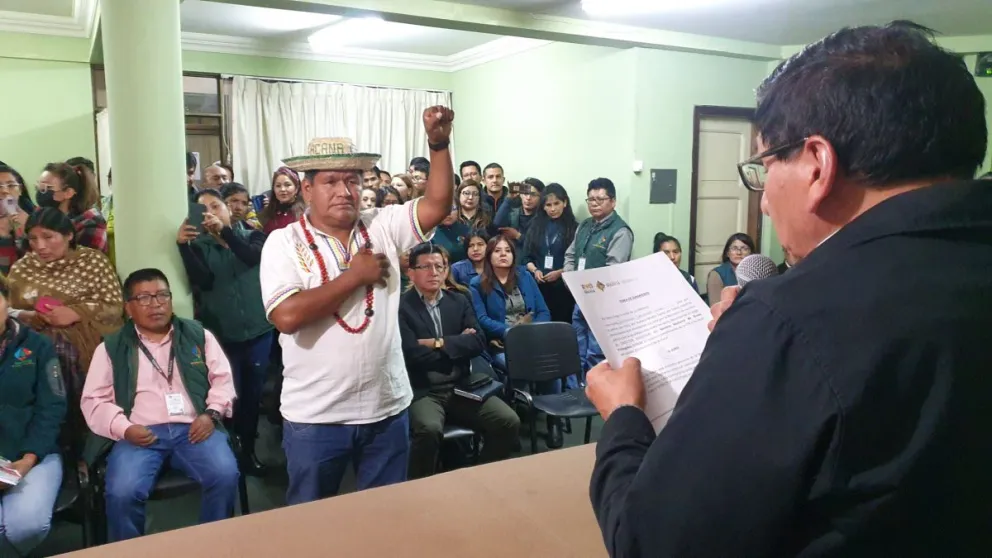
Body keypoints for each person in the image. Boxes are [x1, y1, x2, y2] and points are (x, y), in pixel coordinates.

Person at [585, 21, 992, 556]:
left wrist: (623, 420)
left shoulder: (790, 320)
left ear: (818, 165)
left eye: (763, 167)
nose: (764, 202)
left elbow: (654, 544)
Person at [260, 106, 455, 505]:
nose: (344, 191)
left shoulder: (380, 223)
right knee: (312, 526)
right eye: (330, 181)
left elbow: (437, 204)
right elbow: (287, 316)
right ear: (306, 189)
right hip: (316, 416)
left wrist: (438, 144)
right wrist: (355, 276)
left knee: (384, 520)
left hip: (386, 407)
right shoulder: (284, 242)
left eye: (352, 180)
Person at [81, 268, 239, 542]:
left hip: (194, 428)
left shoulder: (198, 335)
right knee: (122, 491)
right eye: (143, 298)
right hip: (140, 433)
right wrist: (124, 428)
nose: (155, 304)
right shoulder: (111, 347)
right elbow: (94, 399)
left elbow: (223, 380)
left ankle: (215, 544)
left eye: (162, 295)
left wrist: (211, 414)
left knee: (225, 475)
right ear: (128, 307)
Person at [399, 243, 519, 478]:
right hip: (425, 389)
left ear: (446, 270)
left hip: (462, 386)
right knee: (429, 429)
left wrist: (436, 343)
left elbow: (478, 343)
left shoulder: (459, 300)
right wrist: (457, 343)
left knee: (509, 421)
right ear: (411, 272)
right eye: (425, 266)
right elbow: (411, 353)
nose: (434, 272)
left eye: (439, 266)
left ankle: (480, 477)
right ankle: (418, 486)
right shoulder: (401, 307)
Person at [177, 189, 273, 475]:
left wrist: (226, 233)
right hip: (222, 335)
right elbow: (203, 281)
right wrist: (183, 246)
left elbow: (251, 257)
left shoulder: (253, 235)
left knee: (253, 394)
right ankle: (229, 451)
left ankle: (249, 451)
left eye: (216, 206)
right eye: (202, 208)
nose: (210, 212)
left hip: (259, 329)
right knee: (229, 395)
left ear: (229, 210)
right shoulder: (200, 246)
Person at [6, 208, 125, 431]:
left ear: (69, 235)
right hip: (32, 344)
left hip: (86, 346)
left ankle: (83, 438)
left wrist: (77, 312)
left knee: (62, 352)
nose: (40, 246)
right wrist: (25, 315)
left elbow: (114, 306)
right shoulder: (23, 268)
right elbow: (6, 309)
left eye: (48, 237)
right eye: (33, 239)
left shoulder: (92, 261)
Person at [469, 235, 562, 448]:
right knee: (514, 366)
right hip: (502, 343)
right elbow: (482, 319)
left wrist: (532, 333)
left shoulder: (525, 277)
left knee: (551, 365)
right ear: (489, 255)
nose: (503, 254)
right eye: (497, 251)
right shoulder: (477, 283)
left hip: (534, 339)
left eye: (508, 250)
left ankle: (553, 420)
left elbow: (542, 311)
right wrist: (512, 333)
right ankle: (515, 423)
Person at [0, 282, 66, 557]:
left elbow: (52, 407)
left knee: (26, 527)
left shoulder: (37, 346)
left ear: (7, 304)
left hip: (33, 456)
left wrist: (28, 459)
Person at [563, 178, 632, 384]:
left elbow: (614, 270)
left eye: (600, 199)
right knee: (577, 346)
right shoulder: (584, 225)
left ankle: (595, 391)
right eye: (591, 199)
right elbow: (570, 255)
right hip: (580, 298)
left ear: (613, 202)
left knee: (596, 351)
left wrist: (590, 290)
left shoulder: (620, 231)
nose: (594, 203)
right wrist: (569, 278)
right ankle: (577, 389)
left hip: (603, 302)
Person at [523, 183, 578, 323]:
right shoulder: (535, 226)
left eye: (556, 203)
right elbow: (526, 256)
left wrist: (560, 272)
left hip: (563, 288)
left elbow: (577, 260)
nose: (553, 209)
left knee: (561, 325)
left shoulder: (574, 227)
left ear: (565, 203)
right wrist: (535, 270)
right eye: (548, 205)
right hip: (538, 286)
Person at [36, 162, 108, 254]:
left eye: (47, 188)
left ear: (68, 193)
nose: (41, 193)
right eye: (39, 188)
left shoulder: (90, 223)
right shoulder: (42, 216)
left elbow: (83, 262)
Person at [0, 164, 33, 276]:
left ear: (20, 190)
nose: (4, 191)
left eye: (11, 185)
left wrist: (25, 233)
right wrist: (4, 236)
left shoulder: (35, 218)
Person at [706, 232, 756, 303]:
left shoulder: (757, 272)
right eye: (734, 248)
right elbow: (716, 308)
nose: (739, 253)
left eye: (744, 248)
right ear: (728, 253)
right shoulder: (716, 274)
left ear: (751, 253)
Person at [494, 179, 544, 247]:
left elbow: (540, 246)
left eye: (533, 194)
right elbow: (497, 224)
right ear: (520, 195)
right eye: (525, 193)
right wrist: (509, 198)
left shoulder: (543, 218)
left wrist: (518, 236)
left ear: (541, 197)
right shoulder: (512, 213)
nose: (528, 198)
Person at [260, 167, 306, 234]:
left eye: (287, 185)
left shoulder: (305, 213)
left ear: (297, 188)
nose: (282, 189)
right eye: (278, 186)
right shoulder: (268, 213)